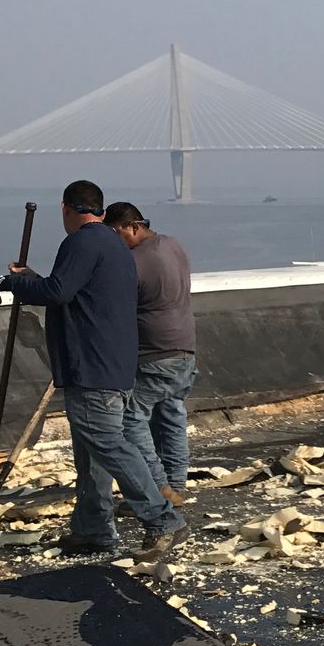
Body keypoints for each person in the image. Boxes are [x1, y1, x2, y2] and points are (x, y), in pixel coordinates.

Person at [0, 180, 186, 558]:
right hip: (114, 362)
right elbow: (73, 290)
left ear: (66, 209)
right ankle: (93, 527)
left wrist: (13, 283)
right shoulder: (114, 244)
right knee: (91, 451)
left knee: (108, 444)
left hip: (91, 365)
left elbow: (58, 294)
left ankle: (162, 520)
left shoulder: (80, 242)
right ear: (98, 209)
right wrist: (35, 281)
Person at [104, 202, 196, 501]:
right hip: (184, 347)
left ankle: (157, 488)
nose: (115, 242)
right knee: (172, 416)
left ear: (133, 227)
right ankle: (177, 487)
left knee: (131, 418)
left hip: (154, 353)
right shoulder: (172, 244)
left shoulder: (135, 260)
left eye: (116, 233)